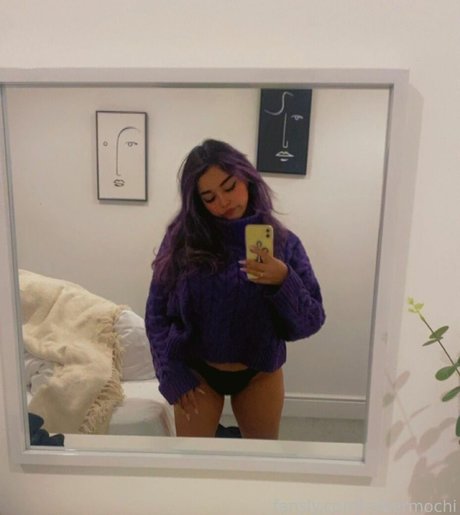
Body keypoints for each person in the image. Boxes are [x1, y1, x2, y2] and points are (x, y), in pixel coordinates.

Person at [145, 139, 325, 439]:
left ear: (247, 178)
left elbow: (311, 321)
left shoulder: (283, 243)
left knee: (261, 460)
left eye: (229, 187)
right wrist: (170, 373)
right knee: (193, 462)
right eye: (209, 197)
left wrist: (284, 280)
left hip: (260, 373)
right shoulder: (182, 242)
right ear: (198, 201)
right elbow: (156, 313)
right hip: (198, 370)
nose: (223, 202)